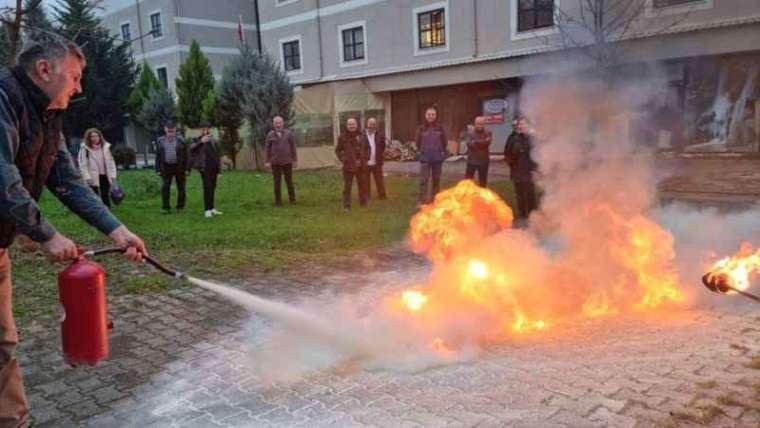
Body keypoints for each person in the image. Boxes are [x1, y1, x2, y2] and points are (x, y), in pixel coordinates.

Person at [0, 34, 147, 428]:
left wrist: (117, 230)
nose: (79, 86)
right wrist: (46, 233)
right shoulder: (3, 100)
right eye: (75, 76)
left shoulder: (48, 116)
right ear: (44, 69)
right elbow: (3, 178)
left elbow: (66, 179)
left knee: (2, 344)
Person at [504, 117, 538, 222]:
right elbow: (507, 153)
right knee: (520, 195)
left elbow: (538, 155)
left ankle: (532, 216)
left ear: (528, 126)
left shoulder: (532, 139)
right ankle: (523, 215)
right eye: (520, 125)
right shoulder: (513, 139)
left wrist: (535, 168)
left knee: (530, 194)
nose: (521, 126)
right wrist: (511, 163)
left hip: (529, 172)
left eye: (523, 124)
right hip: (517, 172)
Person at [415, 106, 448, 207]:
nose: (431, 116)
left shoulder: (440, 128)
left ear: (436, 116)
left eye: (433, 114)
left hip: (437, 158)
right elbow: (417, 142)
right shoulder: (421, 128)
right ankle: (422, 200)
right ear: (426, 116)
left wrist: (440, 151)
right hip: (425, 158)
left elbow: (445, 142)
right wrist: (423, 150)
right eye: (429, 114)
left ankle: (435, 200)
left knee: (436, 180)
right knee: (423, 180)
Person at [155, 120, 189, 214]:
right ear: (165, 129)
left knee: (181, 187)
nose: (170, 131)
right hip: (166, 167)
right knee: (165, 187)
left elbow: (187, 155)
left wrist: (187, 169)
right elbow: (158, 156)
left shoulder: (181, 140)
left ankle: (180, 207)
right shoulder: (160, 141)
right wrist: (158, 169)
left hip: (179, 167)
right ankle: (166, 207)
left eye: (172, 129)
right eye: (168, 129)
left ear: (175, 130)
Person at [77, 128, 117, 208]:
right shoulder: (85, 148)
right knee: (94, 195)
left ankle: (107, 209)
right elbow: (82, 164)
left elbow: (111, 162)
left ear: (100, 137)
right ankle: (96, 209)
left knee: (105, 193)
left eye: (96, 136)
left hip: (105, 174)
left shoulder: (106, 147)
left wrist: (113, 175)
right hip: (93, 176)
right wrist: (87, 177)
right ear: (89, 138)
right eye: (92, 136)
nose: (95, 138)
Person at [190, 122, 222, 218]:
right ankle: (207, 210)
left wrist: (219, 169)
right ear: (200, 130)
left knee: (212, 187)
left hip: (213, 167)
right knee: (207, 188)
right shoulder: (196, 139)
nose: (205, 131)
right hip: (204, 168)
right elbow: (191, 149)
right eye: (203, 129)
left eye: (207, 129)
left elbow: (217, 155)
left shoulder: (213, 140)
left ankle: (212, 208)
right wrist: (201, 142)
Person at [264, 116, 297, 206]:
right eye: (276, 123)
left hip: (287, 162)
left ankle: (292, 200)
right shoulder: (270, 135)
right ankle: (277, 201)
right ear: (273, 124)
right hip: (275, 163)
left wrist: (294, 160)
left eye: (280, 123)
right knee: (277, 182)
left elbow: (293, 147)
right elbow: (267, 149)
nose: (278, 125)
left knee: (289, 181)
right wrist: (267, 161)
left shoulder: (289, 134)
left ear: (283, 123)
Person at [335, 117, 366, 211]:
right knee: (347, 187)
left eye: (353, 124)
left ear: (356, 125)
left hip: (360, 166)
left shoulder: (362, 136)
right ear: (347, 125)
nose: (352, 126)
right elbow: (338, 150)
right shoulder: (342, 136)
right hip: (348, 166)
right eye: (350, 124)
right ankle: (347, 206)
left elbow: (367, 149)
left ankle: (363, 202)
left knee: (362, 185)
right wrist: (343, 159)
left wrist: (364, 159)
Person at [358, 117, 387, 200]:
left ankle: (382, 196)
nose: (372, 125)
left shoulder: (380, 135)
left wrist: (378, 155)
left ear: (375, 125)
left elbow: (383, 146)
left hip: (377, 162)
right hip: (366, 162)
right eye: (370, 123)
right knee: (366, 181)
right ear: (367, 124)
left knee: (379, 180)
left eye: (373, 124)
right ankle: (367, 196)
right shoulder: (362, 135)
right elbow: (360, 147)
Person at [464, 116, 492, 187]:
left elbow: (487, 144)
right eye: (478, 123)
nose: (480, 125)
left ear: (484, 124)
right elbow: (469, 144)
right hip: (471, 161)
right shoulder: (470, 133)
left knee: (483, 182)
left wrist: (475, 141)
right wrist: (482, 142)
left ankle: (482, 196)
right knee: (467, 182)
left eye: (482, 123)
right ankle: (467, 196)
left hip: (484, 161)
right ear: (475, 124)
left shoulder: (488, 132)